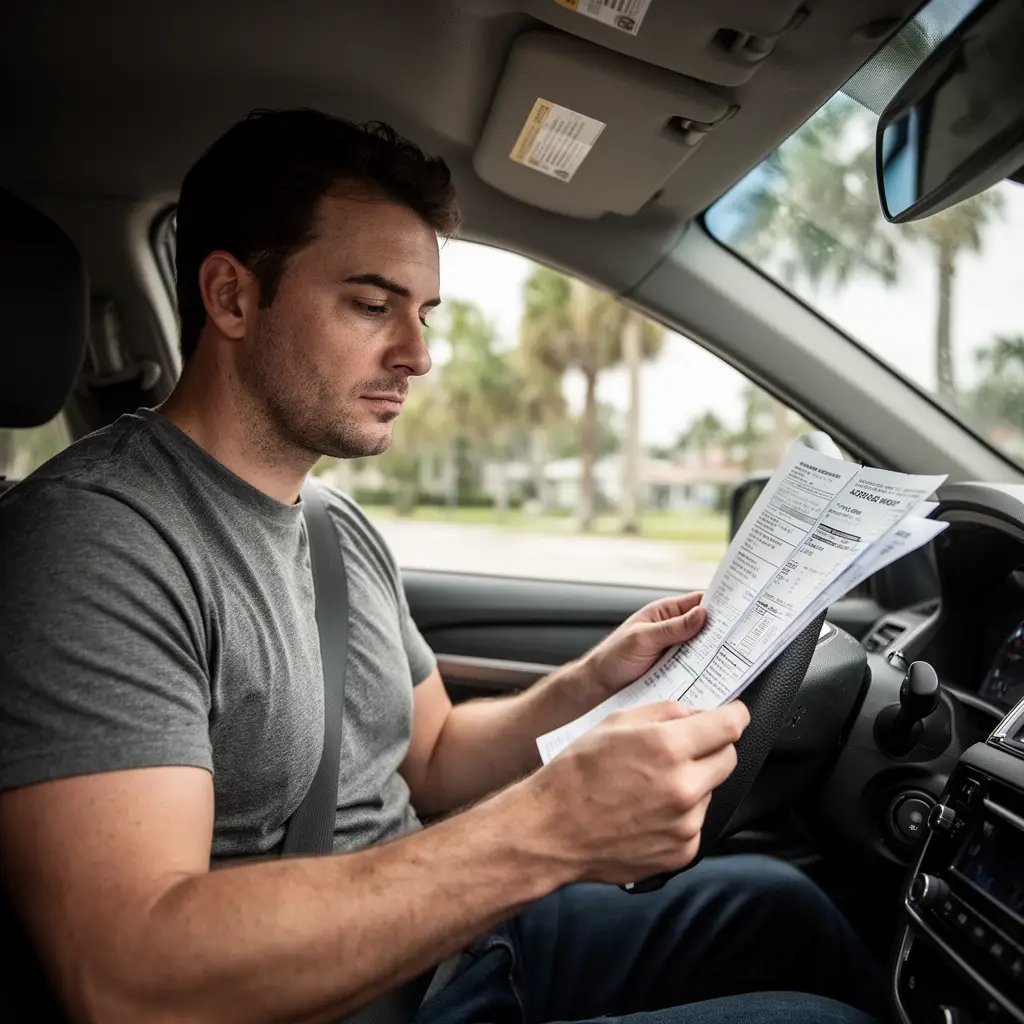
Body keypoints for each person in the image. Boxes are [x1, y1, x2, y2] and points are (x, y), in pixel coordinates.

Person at [0, 109, 886, 1024]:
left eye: (422, 316)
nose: (418, 357)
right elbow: (130, 973)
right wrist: (549, 828)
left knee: (783, 909)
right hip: (327, 999)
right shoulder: (95, 545)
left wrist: (591, 680)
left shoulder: (336, 529)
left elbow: (430, 756)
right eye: (372, 305)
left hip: (449, 950)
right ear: (231, 297)